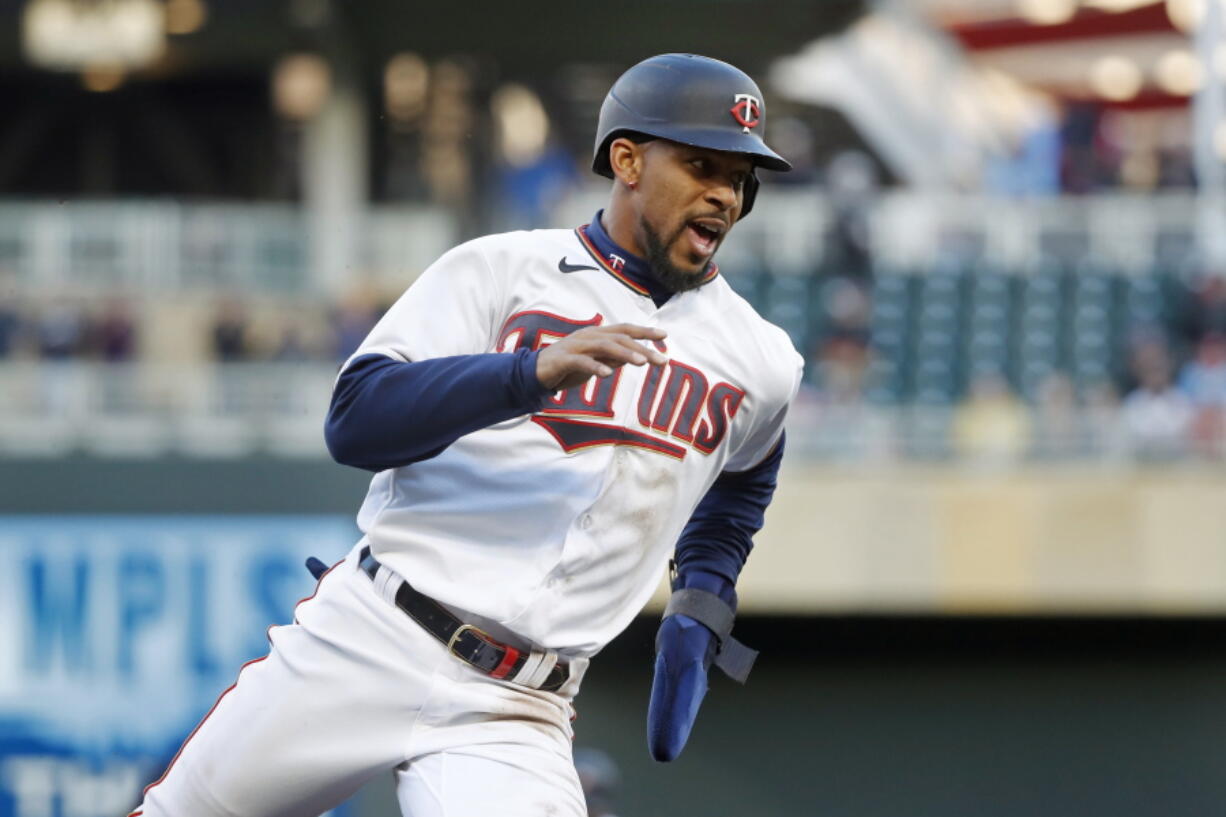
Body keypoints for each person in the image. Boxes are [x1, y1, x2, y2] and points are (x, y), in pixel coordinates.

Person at [129, 53, 802, 817]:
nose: (724, 193)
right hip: (372, 633)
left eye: (741, 177)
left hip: (515, 708)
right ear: (627, 159)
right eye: (701, 164)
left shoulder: (762, 358)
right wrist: (527, 372)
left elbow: (744, 484)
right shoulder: (498, 270)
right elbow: (357, 418)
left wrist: (700, 605)